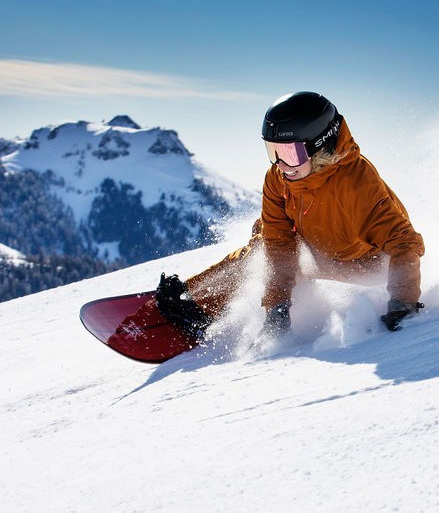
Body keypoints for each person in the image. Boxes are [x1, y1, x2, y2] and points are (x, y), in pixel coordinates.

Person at [154, 91, 425, 339]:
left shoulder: (359, 184)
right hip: (319, 248)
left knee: (269, 245)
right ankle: (199, 303)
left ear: (319, 146)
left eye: (289, 153)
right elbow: (278, 243)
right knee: (264, 236)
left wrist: (403, 302)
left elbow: (404, 242)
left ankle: (197, 308)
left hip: (367, 263)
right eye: (273, 152)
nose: (281, 164)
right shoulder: (278, 179)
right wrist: (276, 309)